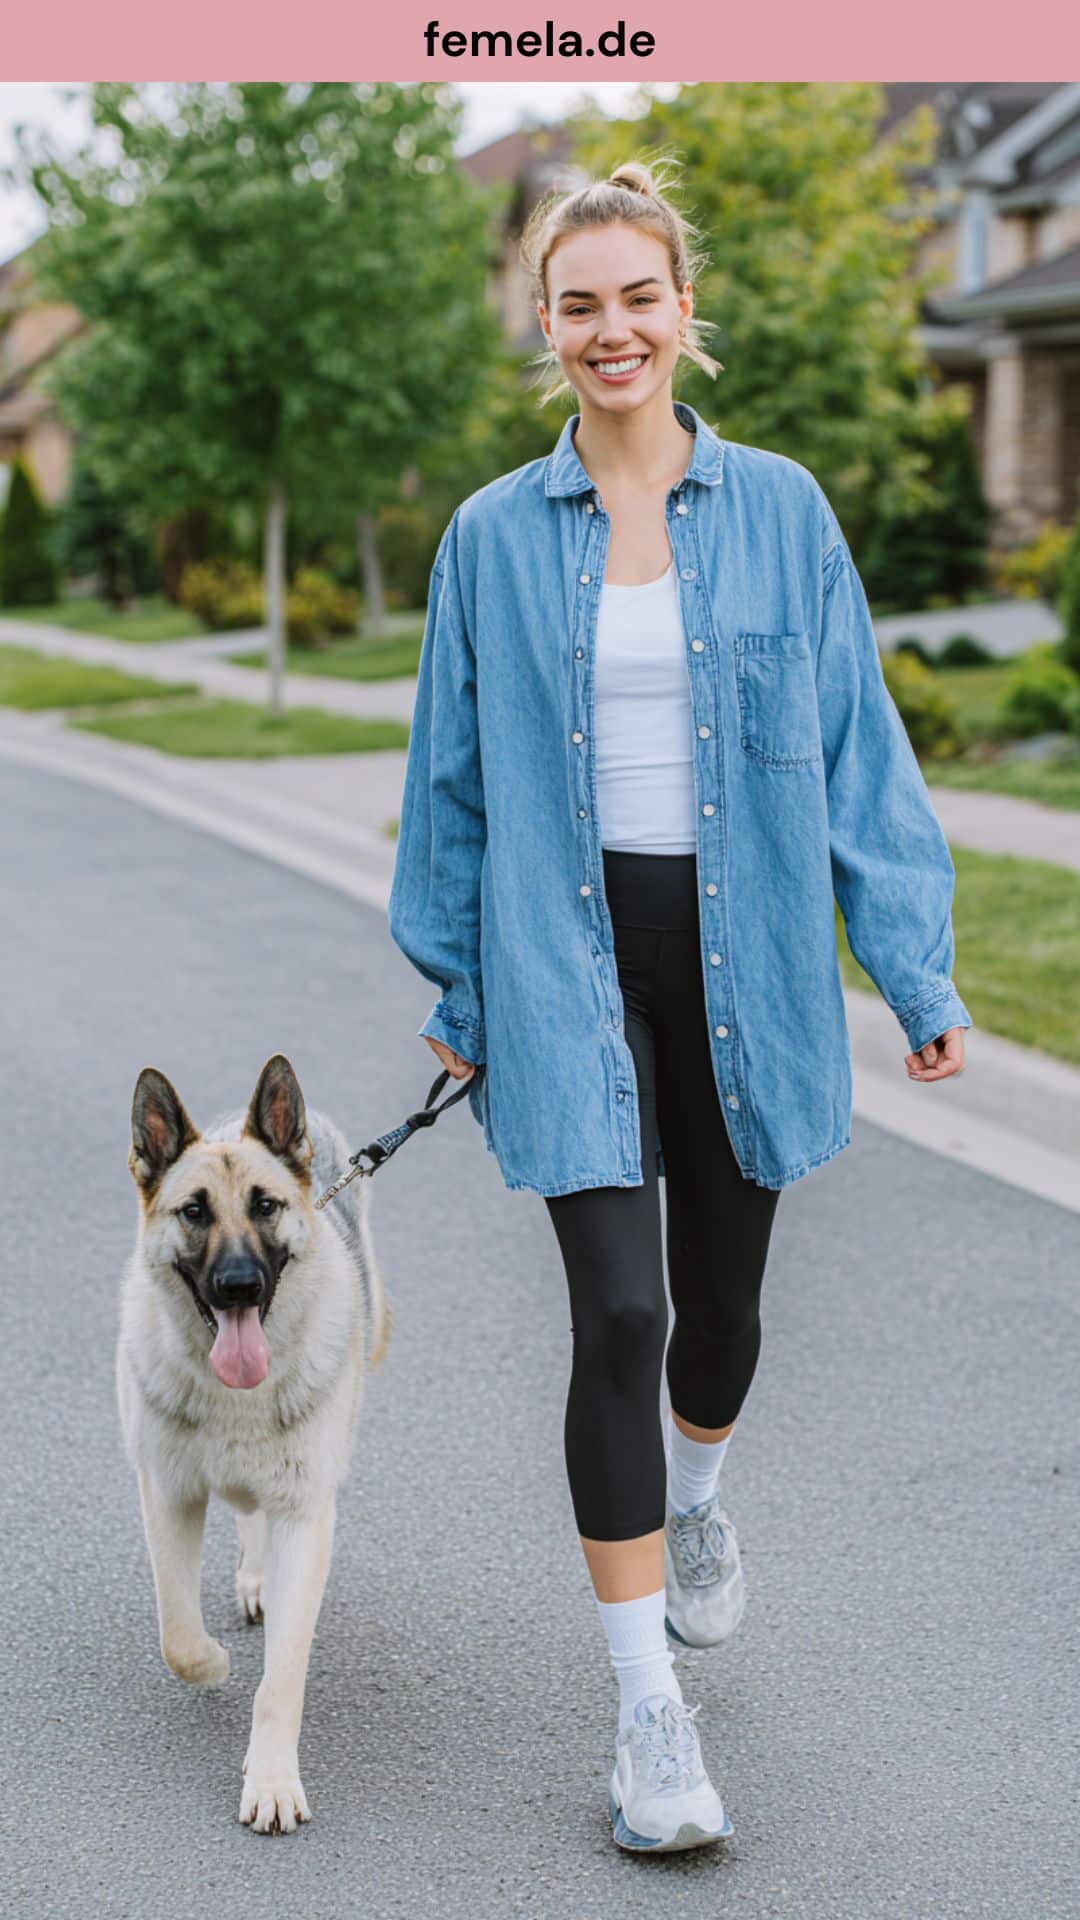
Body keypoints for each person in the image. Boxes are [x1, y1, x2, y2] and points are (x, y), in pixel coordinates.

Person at [387, 156, 971, 1854]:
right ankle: (651, 1718)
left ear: (684, 313)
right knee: (623, 1324)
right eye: (579, 304)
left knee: (716, 1325)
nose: (611, 328)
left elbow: (864, 753)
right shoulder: (492, 536)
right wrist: (458, 977)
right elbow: (452, 776)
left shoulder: (783, 511)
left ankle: (700, 1499)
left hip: (754, 958)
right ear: (546, 329)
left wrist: (915, 967)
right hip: (563, 961)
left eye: (640, 297)